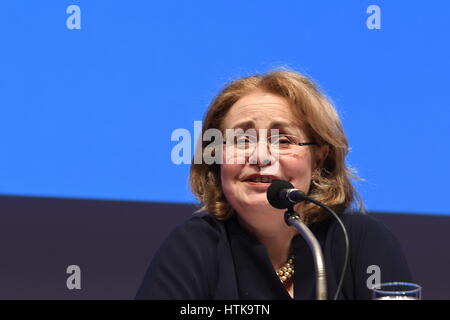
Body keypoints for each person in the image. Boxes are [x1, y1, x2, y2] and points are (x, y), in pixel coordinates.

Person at [136, 70, 412, 300]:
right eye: (242, 140)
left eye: (283, 141)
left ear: (319, 157)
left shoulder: (362, 242)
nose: (260, 156)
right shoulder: (192, 248)